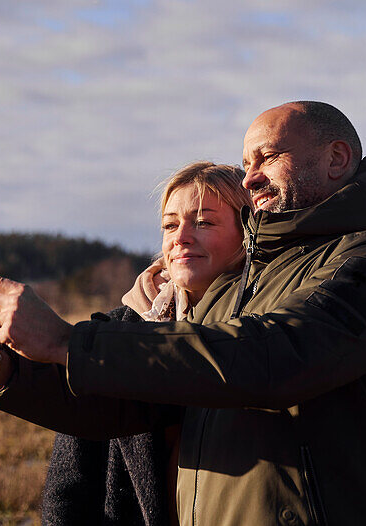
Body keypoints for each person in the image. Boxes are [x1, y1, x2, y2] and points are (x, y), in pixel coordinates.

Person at [0, 100, 366, 526]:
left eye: (267, 158)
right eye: (245, 163)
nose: (250, 179)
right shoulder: (242, 284)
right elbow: (135, 408)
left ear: (336, 158)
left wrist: (69, 343)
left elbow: (278, 355)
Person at [41, 162, 250, 526]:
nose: (181, 237)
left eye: (203, 222)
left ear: (247, 231)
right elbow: (70, 484)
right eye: (170, 224)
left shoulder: (266, 333)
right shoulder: (116, 332)